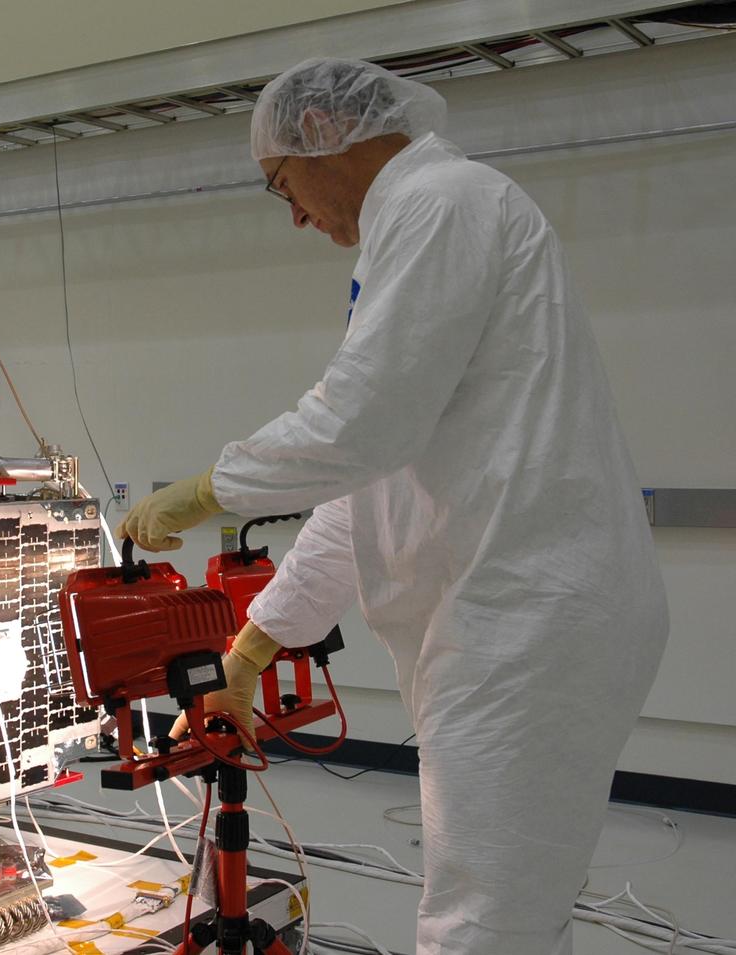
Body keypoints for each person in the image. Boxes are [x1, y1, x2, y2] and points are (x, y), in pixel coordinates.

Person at [116, 58, 668, 955]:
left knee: (484, 924)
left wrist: (210, 488)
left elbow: (358, 426)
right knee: (511, 911)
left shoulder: (443, 203)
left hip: (527, 623)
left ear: (324, 131)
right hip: (511, 619)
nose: (295, 216)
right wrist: (253, 646)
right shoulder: (419, 224)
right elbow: (368, 486)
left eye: (282, 185)